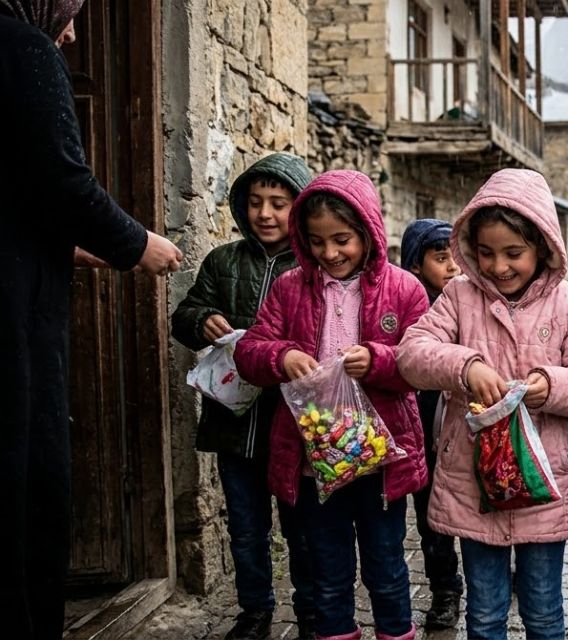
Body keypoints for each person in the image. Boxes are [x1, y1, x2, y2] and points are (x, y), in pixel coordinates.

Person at [0, 1, 183, 636]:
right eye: (70, 10)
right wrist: (138, 243)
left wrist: (61, 242)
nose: (74, 32)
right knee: (27, 478)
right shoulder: (24, 47)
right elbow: (62, 180)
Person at [396, 168, 568, 640]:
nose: (499, 266)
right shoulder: (458, 296)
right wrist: (465, 367)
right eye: (486, 253)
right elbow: (411, 354)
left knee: (545, 613)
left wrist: (547, 385)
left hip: (544, 484)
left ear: (543, 247)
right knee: (485, 614)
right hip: (475, 485)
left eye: (514, 253)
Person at [235, 170, 428, 640]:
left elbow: (423, 363)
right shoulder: (288, 288)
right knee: (327, 568)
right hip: (313, 460)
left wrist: (379, 361)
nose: (330, 253)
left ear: (369, 232)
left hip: (381, 461)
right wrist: (283, 355)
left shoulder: (404, 290)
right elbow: (248, 351)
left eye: (342, 240)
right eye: (317, 242)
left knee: (386, 564)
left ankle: (395, 632)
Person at [171, 153, 316, 640]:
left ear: (300, 207)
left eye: (278, 203)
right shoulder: (224, 261)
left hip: (292, 425)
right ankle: (254, 611)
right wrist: (199, 320)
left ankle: (311, 609)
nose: (265, 214)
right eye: (255, 202)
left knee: (302, 529)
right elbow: (186, 314)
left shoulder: (313, 269)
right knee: (246, 528)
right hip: (233, 425)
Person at [397, 218, 464, 630]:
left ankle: (496, 574)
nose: (453, 266)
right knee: (431, 517)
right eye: (442, 258)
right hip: (421, 435)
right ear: (416, 265)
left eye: (457, 256)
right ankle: (445, 590)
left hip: (464, 431)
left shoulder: (471, 302)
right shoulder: (407, 308)